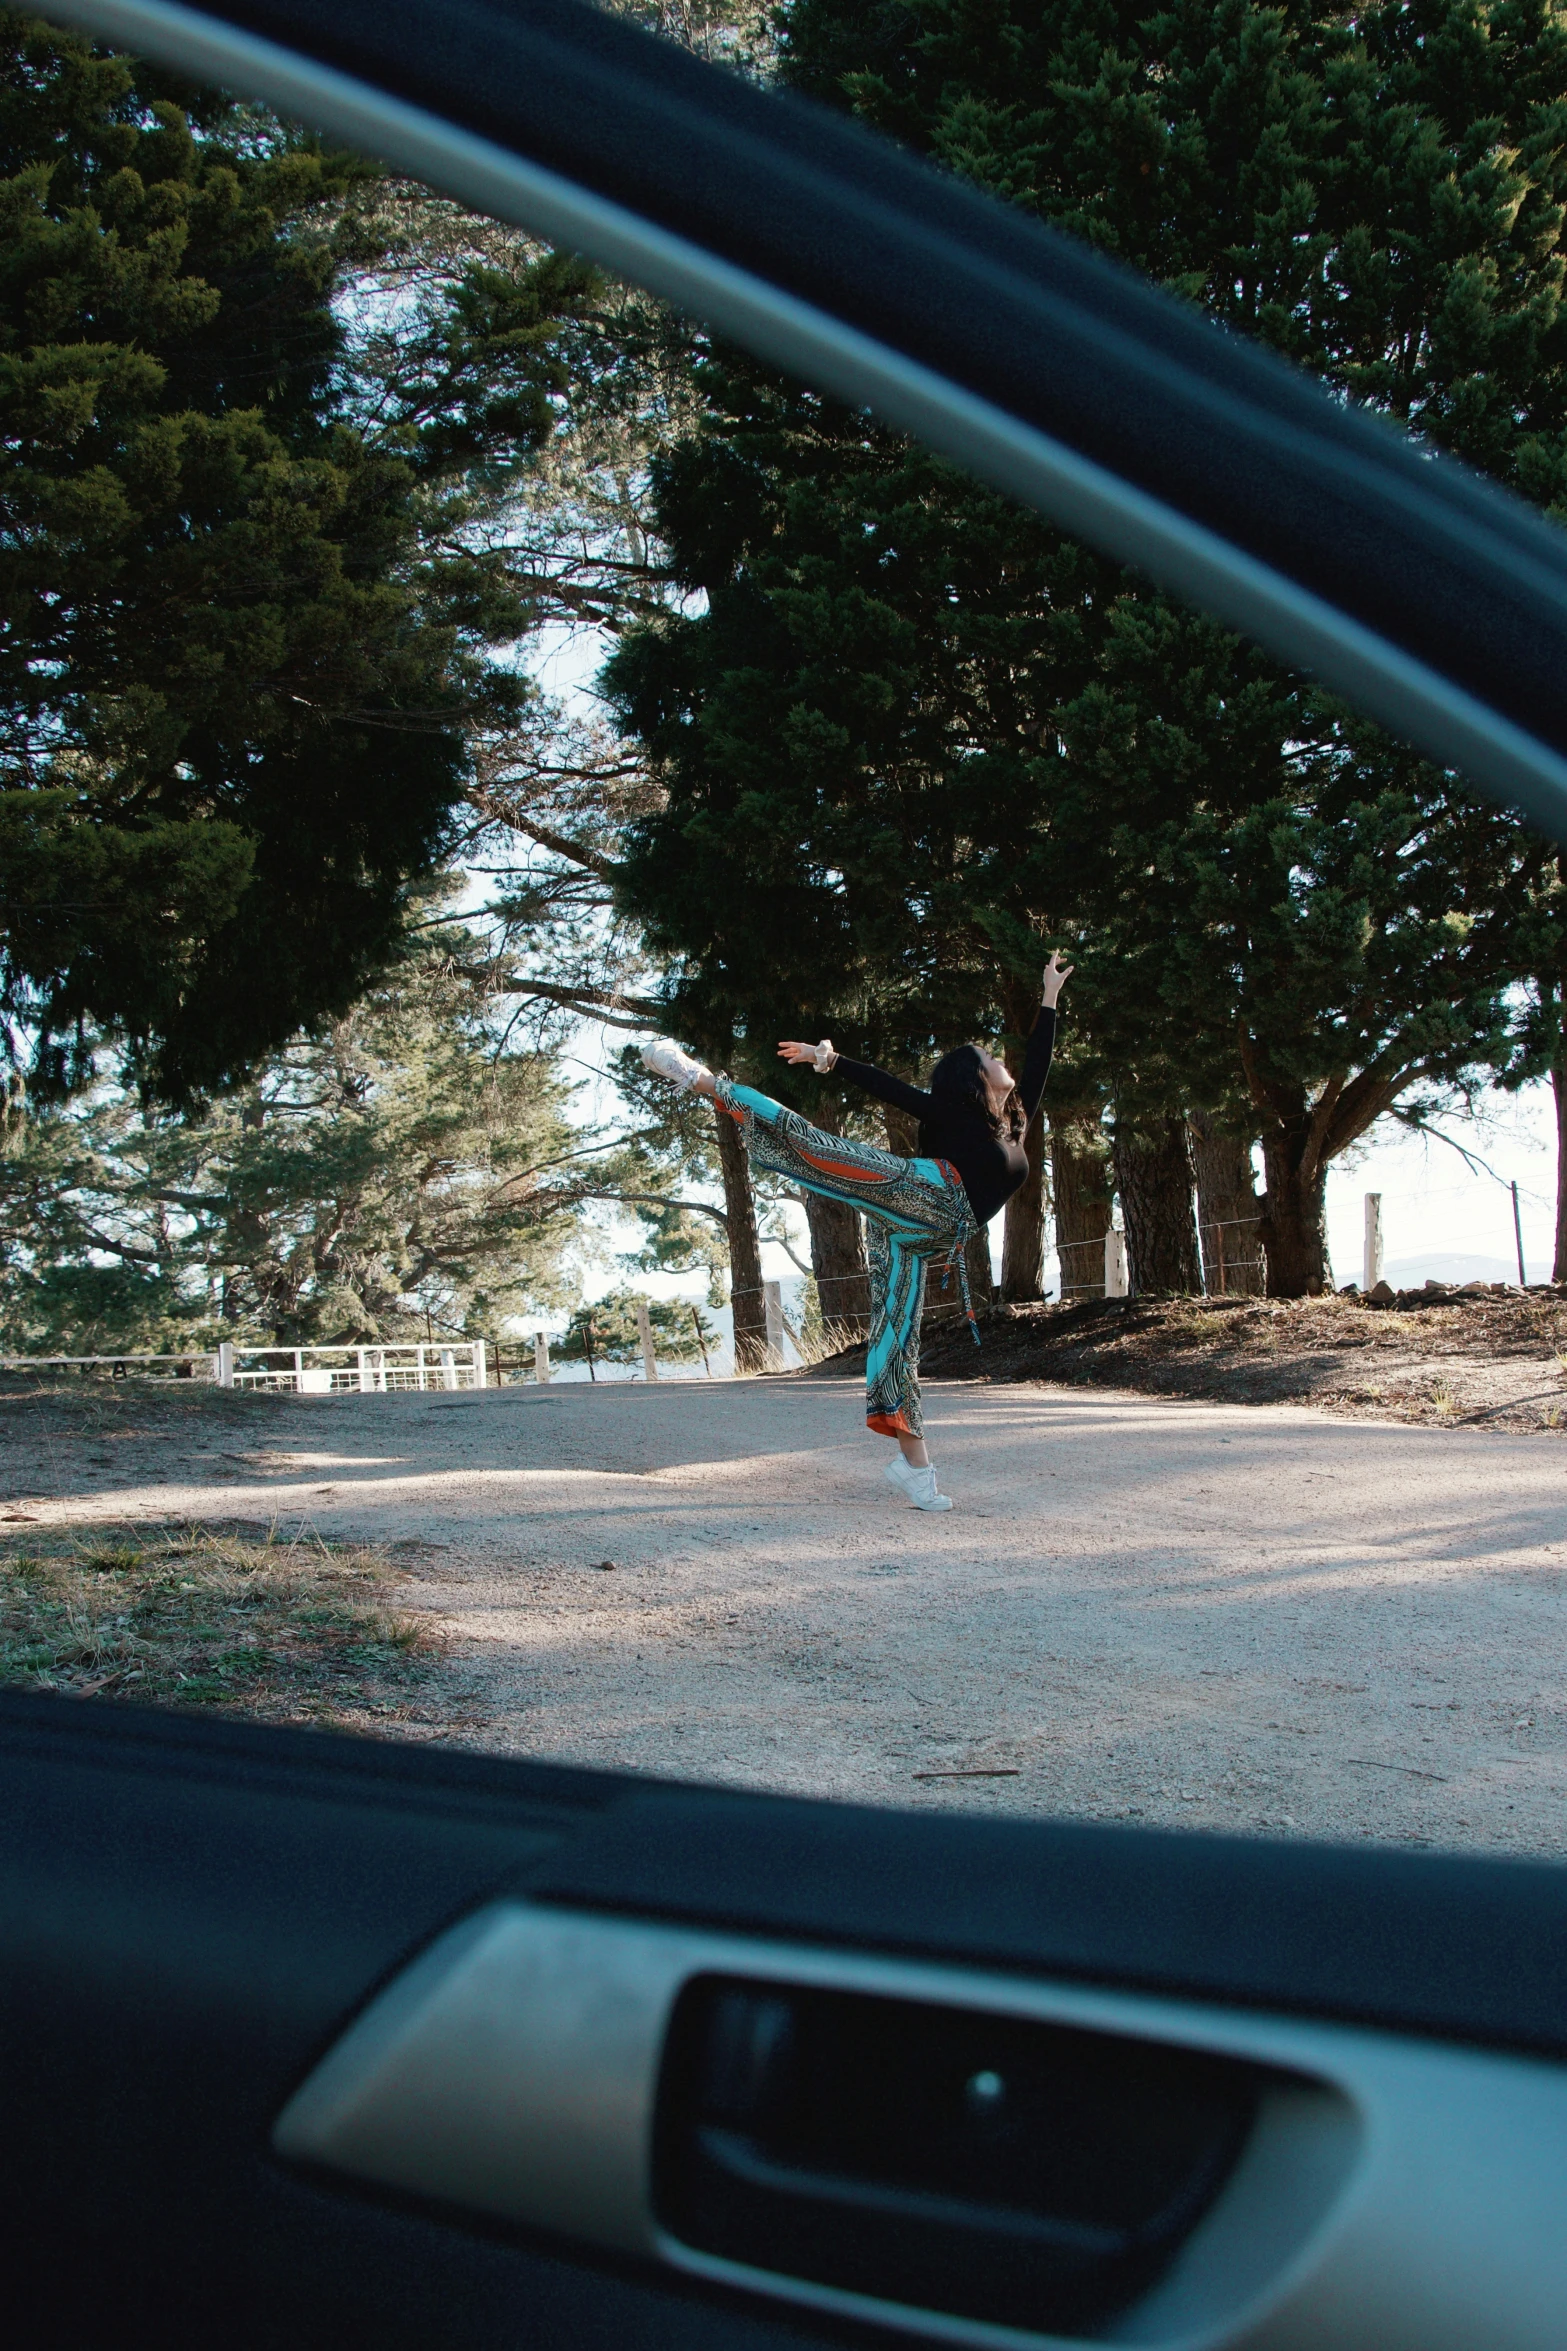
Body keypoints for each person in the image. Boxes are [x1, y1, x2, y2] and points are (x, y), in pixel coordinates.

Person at [641, 953, 1073, 1511]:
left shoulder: (1015, 1121)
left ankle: (916, 1471)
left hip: (926, 1236)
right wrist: (830, 1059)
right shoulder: (953, 1114)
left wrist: (1049, 995)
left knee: (897, 1340)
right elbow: (891, 1088)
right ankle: (701, 1080)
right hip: (918, 1191)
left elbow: (1039, 1060)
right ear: (973, 1077)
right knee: (823, 1149)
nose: (999, 1057)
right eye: (988, 1056)